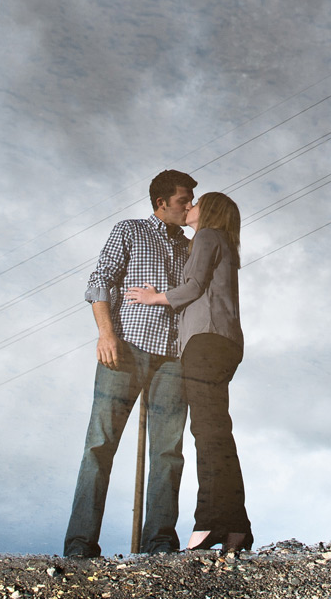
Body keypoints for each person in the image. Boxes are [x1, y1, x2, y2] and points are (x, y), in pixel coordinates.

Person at [63, 169, 197, 557]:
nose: (188, 206)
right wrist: (106, 334)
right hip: (126, 349)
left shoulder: (192, 246)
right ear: (161, 203)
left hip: (173, 358)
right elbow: (101, 280)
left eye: (191, 200)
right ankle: (79, 544)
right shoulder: (130, 230)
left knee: (169, 451)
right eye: (182, 200)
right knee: (100, 443)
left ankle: (159, 542)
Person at [125, 191, 252, 552]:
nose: (189, 208)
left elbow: (194, 286)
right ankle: (237, 527)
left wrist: (154, 298)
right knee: (216, 431)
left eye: (195, 203)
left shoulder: (208, 236)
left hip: (206, 343)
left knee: (208, 432)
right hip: (224, 342)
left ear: (208, 211)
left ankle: (211, 521)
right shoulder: (224, 242)